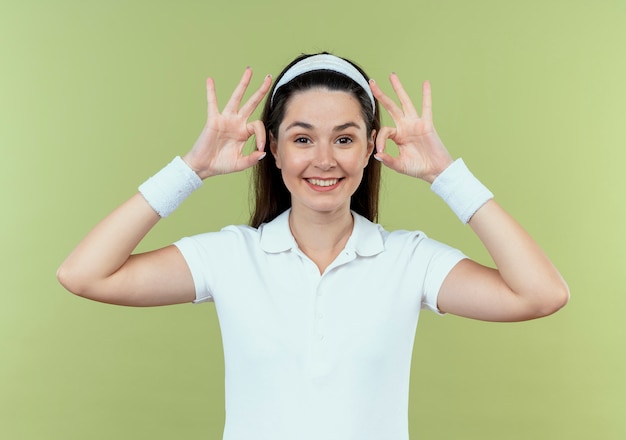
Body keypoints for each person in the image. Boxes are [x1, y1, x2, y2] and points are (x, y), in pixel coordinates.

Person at [57, 52, 569, 440]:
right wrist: (191, 169)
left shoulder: (409, 260)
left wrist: (446, 175)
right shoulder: (231, 257)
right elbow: (85, 274)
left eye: (344, 139)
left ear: (371, 147)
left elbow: (540, 294)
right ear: (272, 148)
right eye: (302, 139)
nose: (324, 159)